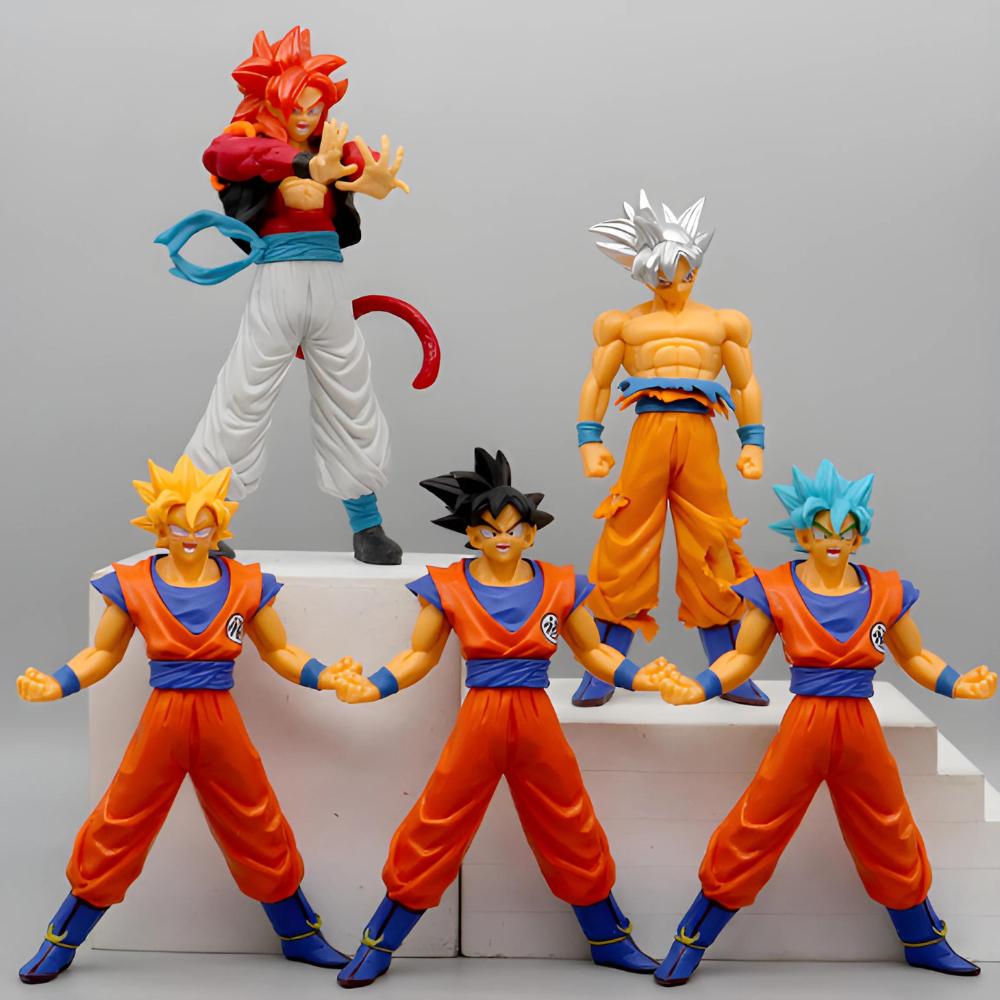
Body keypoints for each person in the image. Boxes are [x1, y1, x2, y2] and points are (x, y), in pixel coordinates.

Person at [650, 460, 996, 986]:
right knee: (756, 825)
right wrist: (698, 687)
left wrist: (957, 683)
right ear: (803, 535)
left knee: (888, 826)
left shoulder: (885, 590)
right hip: (805, 724)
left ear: (858, 536)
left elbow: (916, 656)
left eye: (846, 531)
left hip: (859, 723)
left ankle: (924, 939)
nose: (835, 540)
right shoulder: (776, 589)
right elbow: (742, 657)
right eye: (823, 530)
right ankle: (693, 936)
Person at [329, 448, 663, 988]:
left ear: (531, 533)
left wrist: (639, 677)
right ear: (471, 535)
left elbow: (593, 651)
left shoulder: (558, 584)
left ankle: (609, 938)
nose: (502, 537)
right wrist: (375, 684)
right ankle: (380, 941)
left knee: (570, 822)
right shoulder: (449, 587)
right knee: (437, 823)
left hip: (536, 717)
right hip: (480, 718)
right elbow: (419, 655)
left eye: (512, 528)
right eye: (489, 529)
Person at [17, 456, 359, 984]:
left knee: (256, 819)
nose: (192, 537)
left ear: (219, 529)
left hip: (220, 718)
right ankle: (62, 937)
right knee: (120, 822)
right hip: (164, 719)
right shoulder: (134, 584)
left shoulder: (245, 583)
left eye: (203, 527)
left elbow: (280, 651)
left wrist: (324, 676)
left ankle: (298, 934)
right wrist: (58, 682)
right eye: (180, 527)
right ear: (159, 529)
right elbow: (102, 653)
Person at [572, 191, 767, 707]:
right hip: (648, 432)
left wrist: (753, 442)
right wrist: (590, 440)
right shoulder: (625, 324)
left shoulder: (723, 323)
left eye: (685, 274)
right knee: (626, 538)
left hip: (701, 432)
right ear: (642, 274)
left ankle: (730, 668)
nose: (675, 285)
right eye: (662, 277)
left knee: (713, 538)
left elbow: (745, 384)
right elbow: (597, 382)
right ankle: (604, 665)